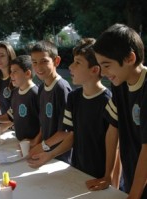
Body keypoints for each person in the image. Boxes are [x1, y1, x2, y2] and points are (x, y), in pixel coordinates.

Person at [28, 38, 120, 191]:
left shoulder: (109, 101)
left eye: (77, 63)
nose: (70, 67)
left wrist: (111, 183)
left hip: (99, 178)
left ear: (95, 70)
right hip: (77, 171)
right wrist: (49, 154)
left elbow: (116, 148)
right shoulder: (74, 98)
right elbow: (71, 135)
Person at [93, 23, 147, 199]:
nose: (103, 72)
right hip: (132, 180)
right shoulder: (119, 84)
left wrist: (134, 195)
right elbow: (113, 130)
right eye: (100, 66)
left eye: (107, 65)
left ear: (130, 58)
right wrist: (108, 175)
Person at [28, 41, 72, 163]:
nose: (38, 67)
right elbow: (44, 123)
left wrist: (42, 146)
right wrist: (36, 142)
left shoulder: (61, 88)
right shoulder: (41, 88)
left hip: (59, 158)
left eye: (44, 61)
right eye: (34, 62)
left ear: (56, 61)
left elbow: (65, 131)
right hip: (45, 153)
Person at [0, 55, 40, 144]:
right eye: (11, 71)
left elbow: (44, 125)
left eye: (15, 71)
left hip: (33, 144)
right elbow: (11, 115)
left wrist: (35, 141)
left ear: (27, 73)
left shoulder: (36, 94)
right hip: (19, 141)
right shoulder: (15, 93)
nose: (11, 75)